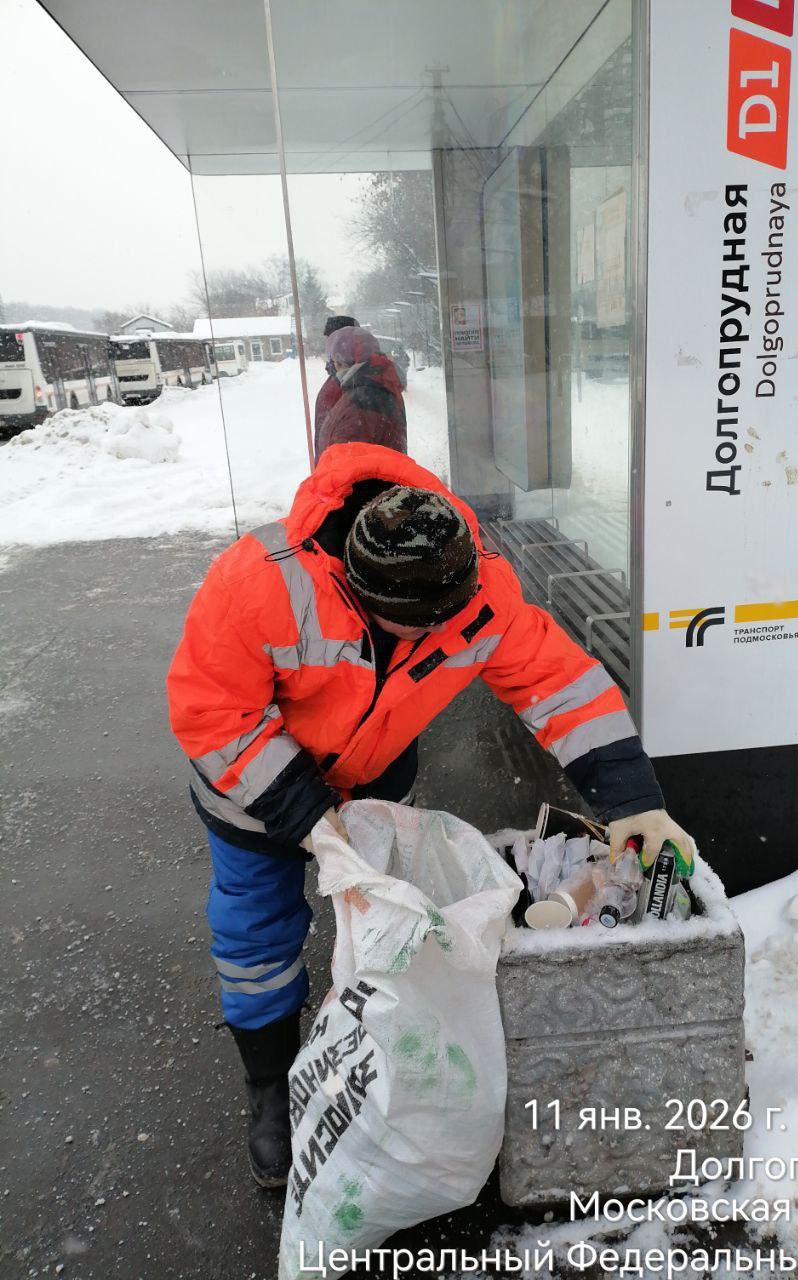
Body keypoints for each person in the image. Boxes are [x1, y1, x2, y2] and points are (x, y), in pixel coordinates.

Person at [166, 441, 694, 1187]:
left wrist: (636, 802)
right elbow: (212, 712)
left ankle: (382, 1050)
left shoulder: (479, 591)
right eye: (413, 628)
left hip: (377, 788)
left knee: (389, 926)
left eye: (442, 627)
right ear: (359, 590)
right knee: (257, 940)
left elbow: (561, 684)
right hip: (254, 796)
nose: (431, 640)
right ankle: (271, 1085)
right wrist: (311, 819)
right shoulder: (258, 581)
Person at [315, 325, 406, 458]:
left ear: (344, 361)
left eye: (336, 360)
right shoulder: (373, 386)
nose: (334, 366)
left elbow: (350, 465)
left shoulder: (363, 399)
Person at [312, 314, 356, 458]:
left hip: (339, 470)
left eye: (331, 342)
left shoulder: (351, 382)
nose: (328, 349)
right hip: (330, 468)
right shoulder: (338, 378)